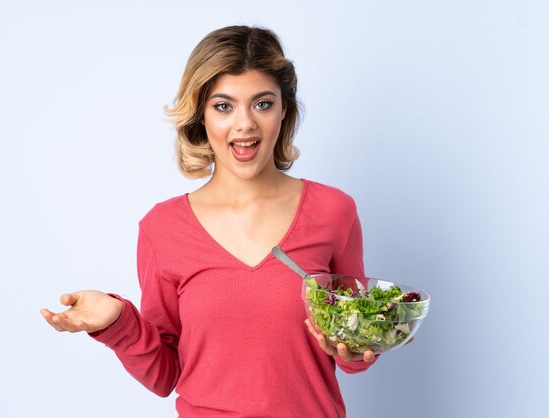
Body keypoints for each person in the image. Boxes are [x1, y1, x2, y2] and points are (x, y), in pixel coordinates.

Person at [41, 25, 377, 417]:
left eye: (262, 104)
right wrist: (119, 323)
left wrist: (358, 348)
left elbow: (356, 345)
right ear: (201, 115)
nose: (245, 124)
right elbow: (166, 375)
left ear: (284, 109)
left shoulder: (334, 211)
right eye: (223, 106)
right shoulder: (162, 228)